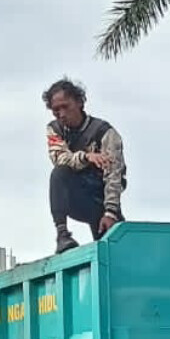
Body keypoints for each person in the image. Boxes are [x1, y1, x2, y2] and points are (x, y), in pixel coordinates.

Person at [44, 77, 126, 254]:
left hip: (100, 198)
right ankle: (62, 235)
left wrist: (110, 212)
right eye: (56, 110)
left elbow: (114, 175)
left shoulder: (104, 132)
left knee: (114, 253)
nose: (61, 114)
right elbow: (60, 158)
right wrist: (86, 157)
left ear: (79, 102)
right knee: (58, 174)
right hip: (77, 196)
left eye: (65, 106)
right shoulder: (54, 130)